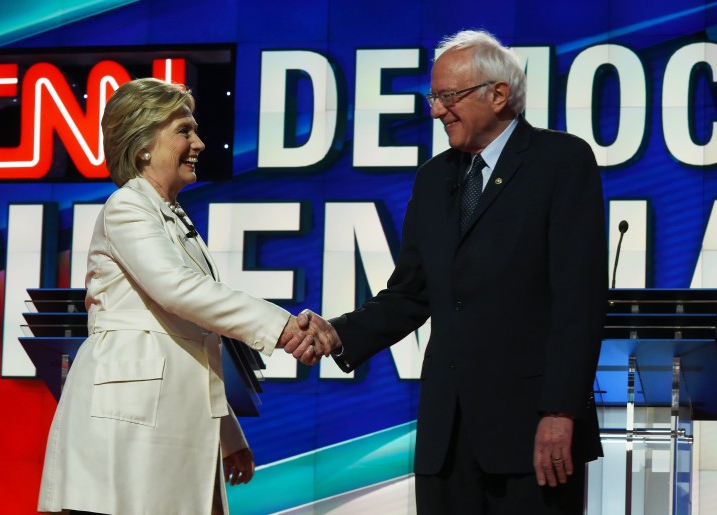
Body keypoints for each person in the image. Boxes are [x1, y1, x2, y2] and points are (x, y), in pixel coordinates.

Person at [286, 30, 608, 514]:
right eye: (433, 98)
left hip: (531, 434)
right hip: (447, 436)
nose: (436, 111)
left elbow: (577, 301)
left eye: (448, 97)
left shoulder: (560, 161)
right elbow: (411, 294)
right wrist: (337, 333)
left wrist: (560, 412)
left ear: (498, 94)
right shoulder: (434, 178)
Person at [38, 78, 305, 515]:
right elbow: (178, 291)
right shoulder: (127, 207)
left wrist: (228, 436)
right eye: (184, 130)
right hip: (126, 427)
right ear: (143, 143)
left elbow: (190, 341)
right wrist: (282, 326)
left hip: (167, 424)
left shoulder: (173, 217)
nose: (198, 142)